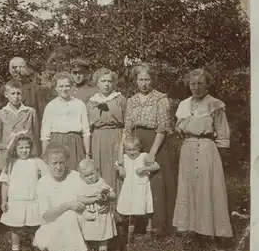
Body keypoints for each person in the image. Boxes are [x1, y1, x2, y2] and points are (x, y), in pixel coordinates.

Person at [172, 69, 234, 246]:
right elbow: (179, 128)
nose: (196, 87)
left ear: (207, 85)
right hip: (188, 148)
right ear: (188, 85)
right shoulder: (183, 104)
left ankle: (215, 232)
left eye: (200, 83)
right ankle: (195, 231)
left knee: (209, 188)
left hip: (207, 149)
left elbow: (222, 132)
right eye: (193, 84)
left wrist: (221, 155)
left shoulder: (215, 105)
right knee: (189, 188)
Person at [121, 63, 177, 236]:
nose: (144, 83)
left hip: (155, 141)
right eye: (140, 80)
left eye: (147, 79)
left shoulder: (161, 99)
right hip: (137, 141)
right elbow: (127, 128)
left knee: (157, 181)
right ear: (136, 81)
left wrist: (152, 153)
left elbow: (162, 128)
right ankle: (139, 221)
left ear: (152, 80)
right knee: (136, 180)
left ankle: (159, 225)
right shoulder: (132, 101)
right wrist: (122, 152)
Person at [33, 143, 93, 251]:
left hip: (79, 218)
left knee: (71, 218)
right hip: (53, 220)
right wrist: (68, 205)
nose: (58, 167)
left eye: (61, 162)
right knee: (65, 218)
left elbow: (89, 197)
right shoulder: (42, 183)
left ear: (66, 161)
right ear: (47, 164)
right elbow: (46, 216)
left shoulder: (75, 176)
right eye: (54, 163)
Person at [0, 133, 49, 251]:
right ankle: (15, 247)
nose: (24, 150)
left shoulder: (36, 162)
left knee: (35, 225)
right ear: (15, 149)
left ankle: (37, 244)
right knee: (16, 227)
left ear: (31, 148)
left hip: (32, 199)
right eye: (21, 148)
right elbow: (5, 183)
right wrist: (4, 200)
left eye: (27, 147)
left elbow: (48, 176)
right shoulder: (11, 163)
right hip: (16, 201)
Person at [87, 68, 127, 204]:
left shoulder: (120, 99)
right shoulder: (91, 102)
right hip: (97, 138)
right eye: (103, 81)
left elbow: (127, 123)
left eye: (110, 81)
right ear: (97, 83)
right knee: (99, 169)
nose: (107, 84)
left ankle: (118, 211)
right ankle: (101, 204)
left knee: (115, 170)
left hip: (116, 136)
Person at [41, 72, 91, 171]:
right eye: (61, 86)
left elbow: (86, 132)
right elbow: (45, 134)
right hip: (57, 141)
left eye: (67, 86)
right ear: (55, 88)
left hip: (75, 142)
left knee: (76, 172)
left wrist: (87, 153)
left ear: (72, 87)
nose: (64, 89)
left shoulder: (79, 104)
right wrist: (44, 154)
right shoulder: (51, 106)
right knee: (58, 171)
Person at [116, 135, 160, 241]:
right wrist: (120, 168)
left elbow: (156, 166)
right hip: (129, 188)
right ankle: (131, 233)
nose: (132, 152)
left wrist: (145, 168)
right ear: (125, 150)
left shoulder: (143, 156)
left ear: (139, 148)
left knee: (146, 209)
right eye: (129, 150)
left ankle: (149, 231)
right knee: (131, 211)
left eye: (135, 149)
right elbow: (116, 165)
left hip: (141, 188)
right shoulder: (124, 157)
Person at [0, 57, 48, 140]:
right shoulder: (3, 90)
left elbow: (42, 117)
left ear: (26, 69)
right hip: (9, 139)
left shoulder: (37, 90)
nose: (18, 70)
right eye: (14, 68)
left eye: (21, 67)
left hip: (30, 139)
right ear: (9, 71)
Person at [0, 80, 39, 172]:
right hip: (8, 154)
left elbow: (36, 136)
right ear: (6, 94)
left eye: (19, 93)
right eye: (13, 93)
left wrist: (34, 153)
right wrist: (7, 148)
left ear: (23, 94)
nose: (16, 96)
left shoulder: (30, 112)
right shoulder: (0, 113)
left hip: (26, 153)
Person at [76, 159, 117, 251]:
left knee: (104, 234)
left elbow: (113, 194)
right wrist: (94, 199)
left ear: (97, 171)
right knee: (88, 233)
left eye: (92, 174)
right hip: (89, 214)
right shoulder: (82, 185)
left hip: (102, 214)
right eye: (86, 176)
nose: (90, 177)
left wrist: (107, 197)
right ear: (81, 177)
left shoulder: (101, 182)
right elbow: (80, 199)